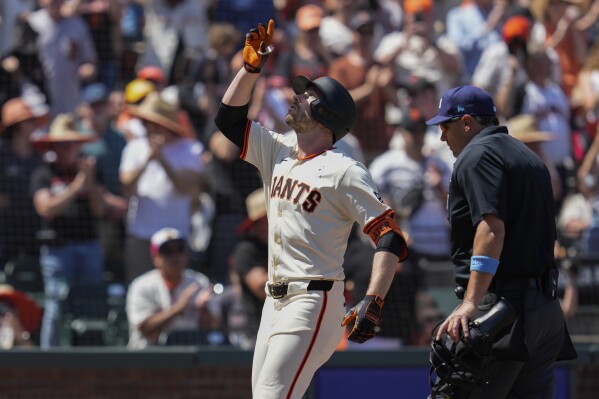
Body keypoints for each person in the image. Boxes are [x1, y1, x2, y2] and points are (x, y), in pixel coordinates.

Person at [214, 19, 409, 399]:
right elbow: (228, 120)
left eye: (307, 95)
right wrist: (250, 69)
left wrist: (374, 298)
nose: (296, 96)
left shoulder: (345, 170)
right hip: (274, 301)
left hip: (313, 299)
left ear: (327, 114)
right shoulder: (280, 150)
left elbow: (390, 237)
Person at [426, 85, 576, 398]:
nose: (442, 136)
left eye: (445, 126)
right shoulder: (528, 157)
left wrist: (470, 303)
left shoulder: (478, 155)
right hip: (545, 310)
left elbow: (491, 229)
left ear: (467, 123)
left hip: (503, 309)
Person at [30, 113, 109, 348]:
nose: (67, 149)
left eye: (72, 144)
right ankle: (49, 359)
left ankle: (90, 357)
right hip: (57, 250)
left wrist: (90, 182)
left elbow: (99, 210)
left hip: (89, 246)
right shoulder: (44, 173)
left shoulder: (92, 170)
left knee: (90, 305)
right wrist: (77, 186)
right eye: (62, 145)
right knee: (56, 305)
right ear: (53, 146)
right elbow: (46, 209)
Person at [119, 91, 204, 284]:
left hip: (176, 237)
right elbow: (126, 187)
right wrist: (148, 159)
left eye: (156, 124)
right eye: (147, 123)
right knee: (138, 287)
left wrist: (163, 160)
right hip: (141, 235)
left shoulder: (190, 148)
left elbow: (186, 187)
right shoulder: (134, 148)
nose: (151, 129)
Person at [125, 227, 215, 349]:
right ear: (155, 258)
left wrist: (203, 310)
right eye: (167, 251)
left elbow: (214, 328)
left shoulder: (199, 282)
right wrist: (179, 307)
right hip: (148, 356)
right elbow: (143, 327)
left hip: (191, 355)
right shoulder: (142, 285)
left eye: (179, 249)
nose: (175, 256)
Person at [0, 96, 49, 269]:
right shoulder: (2, 152)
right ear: (18, 125)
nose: (35, 125)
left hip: (33, 223)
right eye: (30, 121)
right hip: (5, 225)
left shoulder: (39, 154)